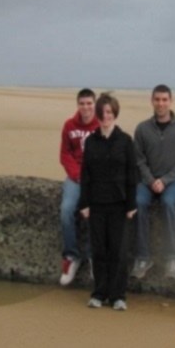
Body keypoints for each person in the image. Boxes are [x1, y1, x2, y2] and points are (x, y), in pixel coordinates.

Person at [79, 93, 137, 311]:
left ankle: (118, 296)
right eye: (102, 113)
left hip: (119, 204)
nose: (106, 117)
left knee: (118, 251)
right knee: (99, 250)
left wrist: (131, 204)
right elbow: (85, 175)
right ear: (98, 115)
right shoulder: (91, 142)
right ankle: (99, 293)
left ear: (115, 114)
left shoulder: (125, 141)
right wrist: (84, 204)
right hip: (96, 204)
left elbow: (132, 174)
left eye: (109, 113)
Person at [131, 84, 175, 281]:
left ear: (171, 101)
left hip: (173, 181)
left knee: (168, 203)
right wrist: (151, 181)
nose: (161, 103)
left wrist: (165, 180)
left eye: (164, 99)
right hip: (147, 180)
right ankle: (142, 258)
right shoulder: (142, 128)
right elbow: (138, 159)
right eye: (157, 99)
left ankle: (171, 259)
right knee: (139, 203)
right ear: (152, 101)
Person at [59, 88, 99, 286]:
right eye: (82, 104)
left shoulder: (101, 125)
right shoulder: (69, 125)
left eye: (89, 103)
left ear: (95, 104)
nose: (86, 107)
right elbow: (65, 155)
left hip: (97, 178)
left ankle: (93, 257)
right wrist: (77, 175)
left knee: (95, 212)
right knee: (67, 210)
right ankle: (71, 256)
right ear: (78, 105)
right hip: (75, 178)